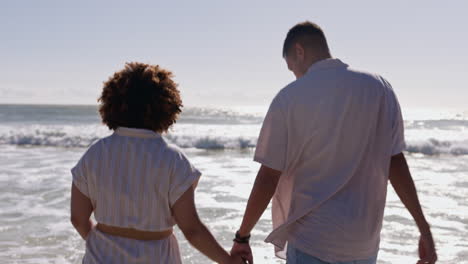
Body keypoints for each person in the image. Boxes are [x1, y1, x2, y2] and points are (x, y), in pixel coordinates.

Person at [231, 22, 437, 264]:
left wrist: (242, 237)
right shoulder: (379, 88)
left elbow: (268, 176)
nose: (295, 75)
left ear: (299, 51)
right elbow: (395, 163)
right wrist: (423, 228)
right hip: (364, 247)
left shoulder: (289, 98)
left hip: (312, 242)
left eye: (291, 68)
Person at [70, 62, 244, 264]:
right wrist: (229, 261)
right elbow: (192, 230)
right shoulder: (172, 160)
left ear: (112, 104)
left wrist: (102, 244)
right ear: (167, 107)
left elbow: (78, 219)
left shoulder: (95, 154)